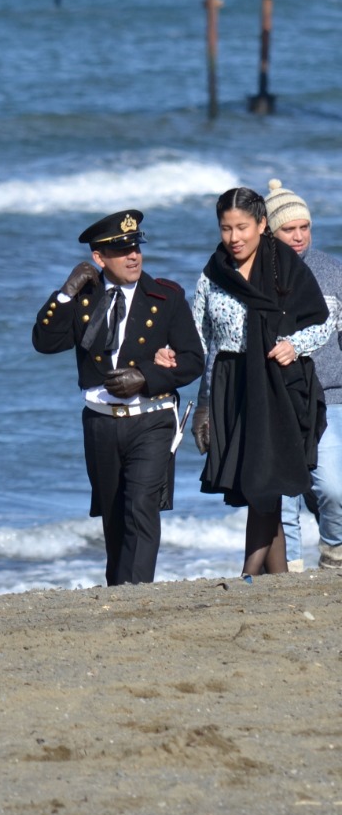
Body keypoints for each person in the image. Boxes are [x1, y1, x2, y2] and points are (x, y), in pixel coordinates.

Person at [32, 210, 204, 586]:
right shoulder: (83, 299)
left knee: (141, 506)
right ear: (99, 257)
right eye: (121, 249)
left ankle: (137, 594)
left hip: (153, 418)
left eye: (136, 247)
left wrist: (145, 377)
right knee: (113, 514)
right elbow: (45, 343)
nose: (133, 256)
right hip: (100, 421)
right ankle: (118, 591)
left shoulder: (166, 296)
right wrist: (64, 292)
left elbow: (194, 360)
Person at [190, 187, 331, 577]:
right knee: (256, 483)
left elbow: (322, 322)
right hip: (230, 385)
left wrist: (293, 345)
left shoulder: (284, 265)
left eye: (242, 227)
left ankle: (247, 573)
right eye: (225, 228)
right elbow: (200, 339)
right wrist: (200, 401)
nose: (234, 238)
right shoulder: (213, 273)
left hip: (278, 384)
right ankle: (279, 578)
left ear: (262, 224)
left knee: (263, 483)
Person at [265, 180, 342, 571]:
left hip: (330, 397)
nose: (298, 237)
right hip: (277, 399)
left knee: (332, 489)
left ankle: (334, 552)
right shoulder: (257, 276)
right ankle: (289, 572)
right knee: (284, 497)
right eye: (288, 228)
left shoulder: (332, 272)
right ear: (269, 231)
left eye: (304, 227)